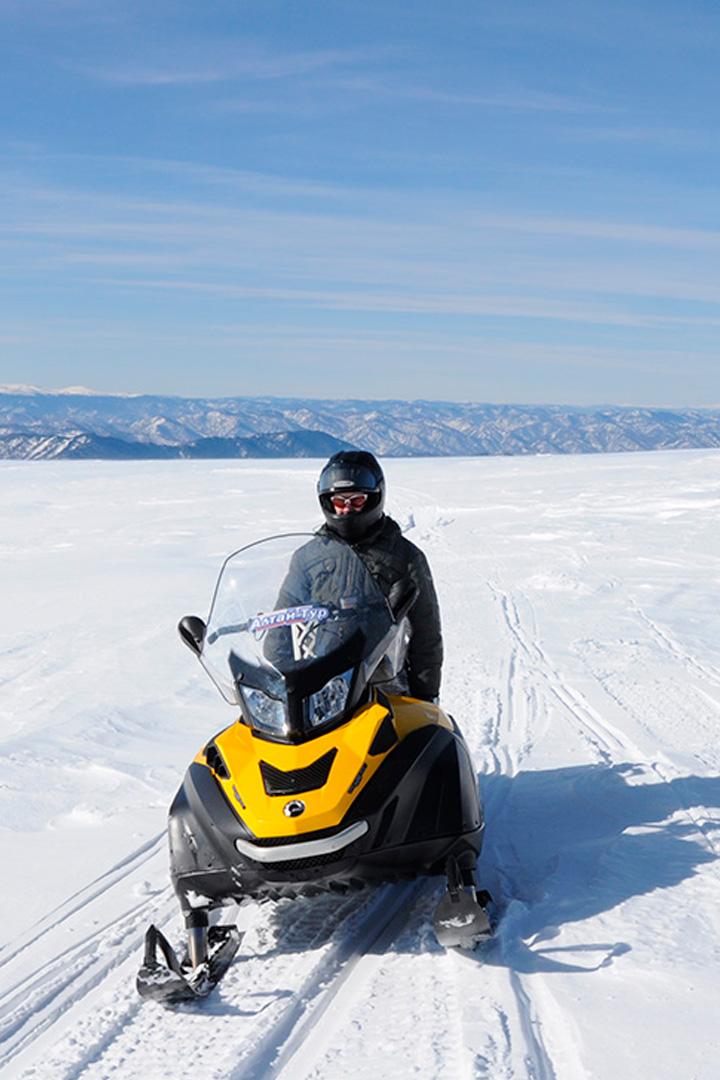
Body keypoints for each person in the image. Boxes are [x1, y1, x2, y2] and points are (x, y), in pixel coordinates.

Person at [314, 450, 443, 703]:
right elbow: (282, 619)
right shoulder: (309, 558)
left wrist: (426, 695)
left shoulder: (405, 557)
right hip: (322, 685)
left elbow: (426, 635)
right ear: (328, 502)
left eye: (357, 500)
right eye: (340, 501)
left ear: (374, 498)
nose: (347, 509)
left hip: (385, 686)